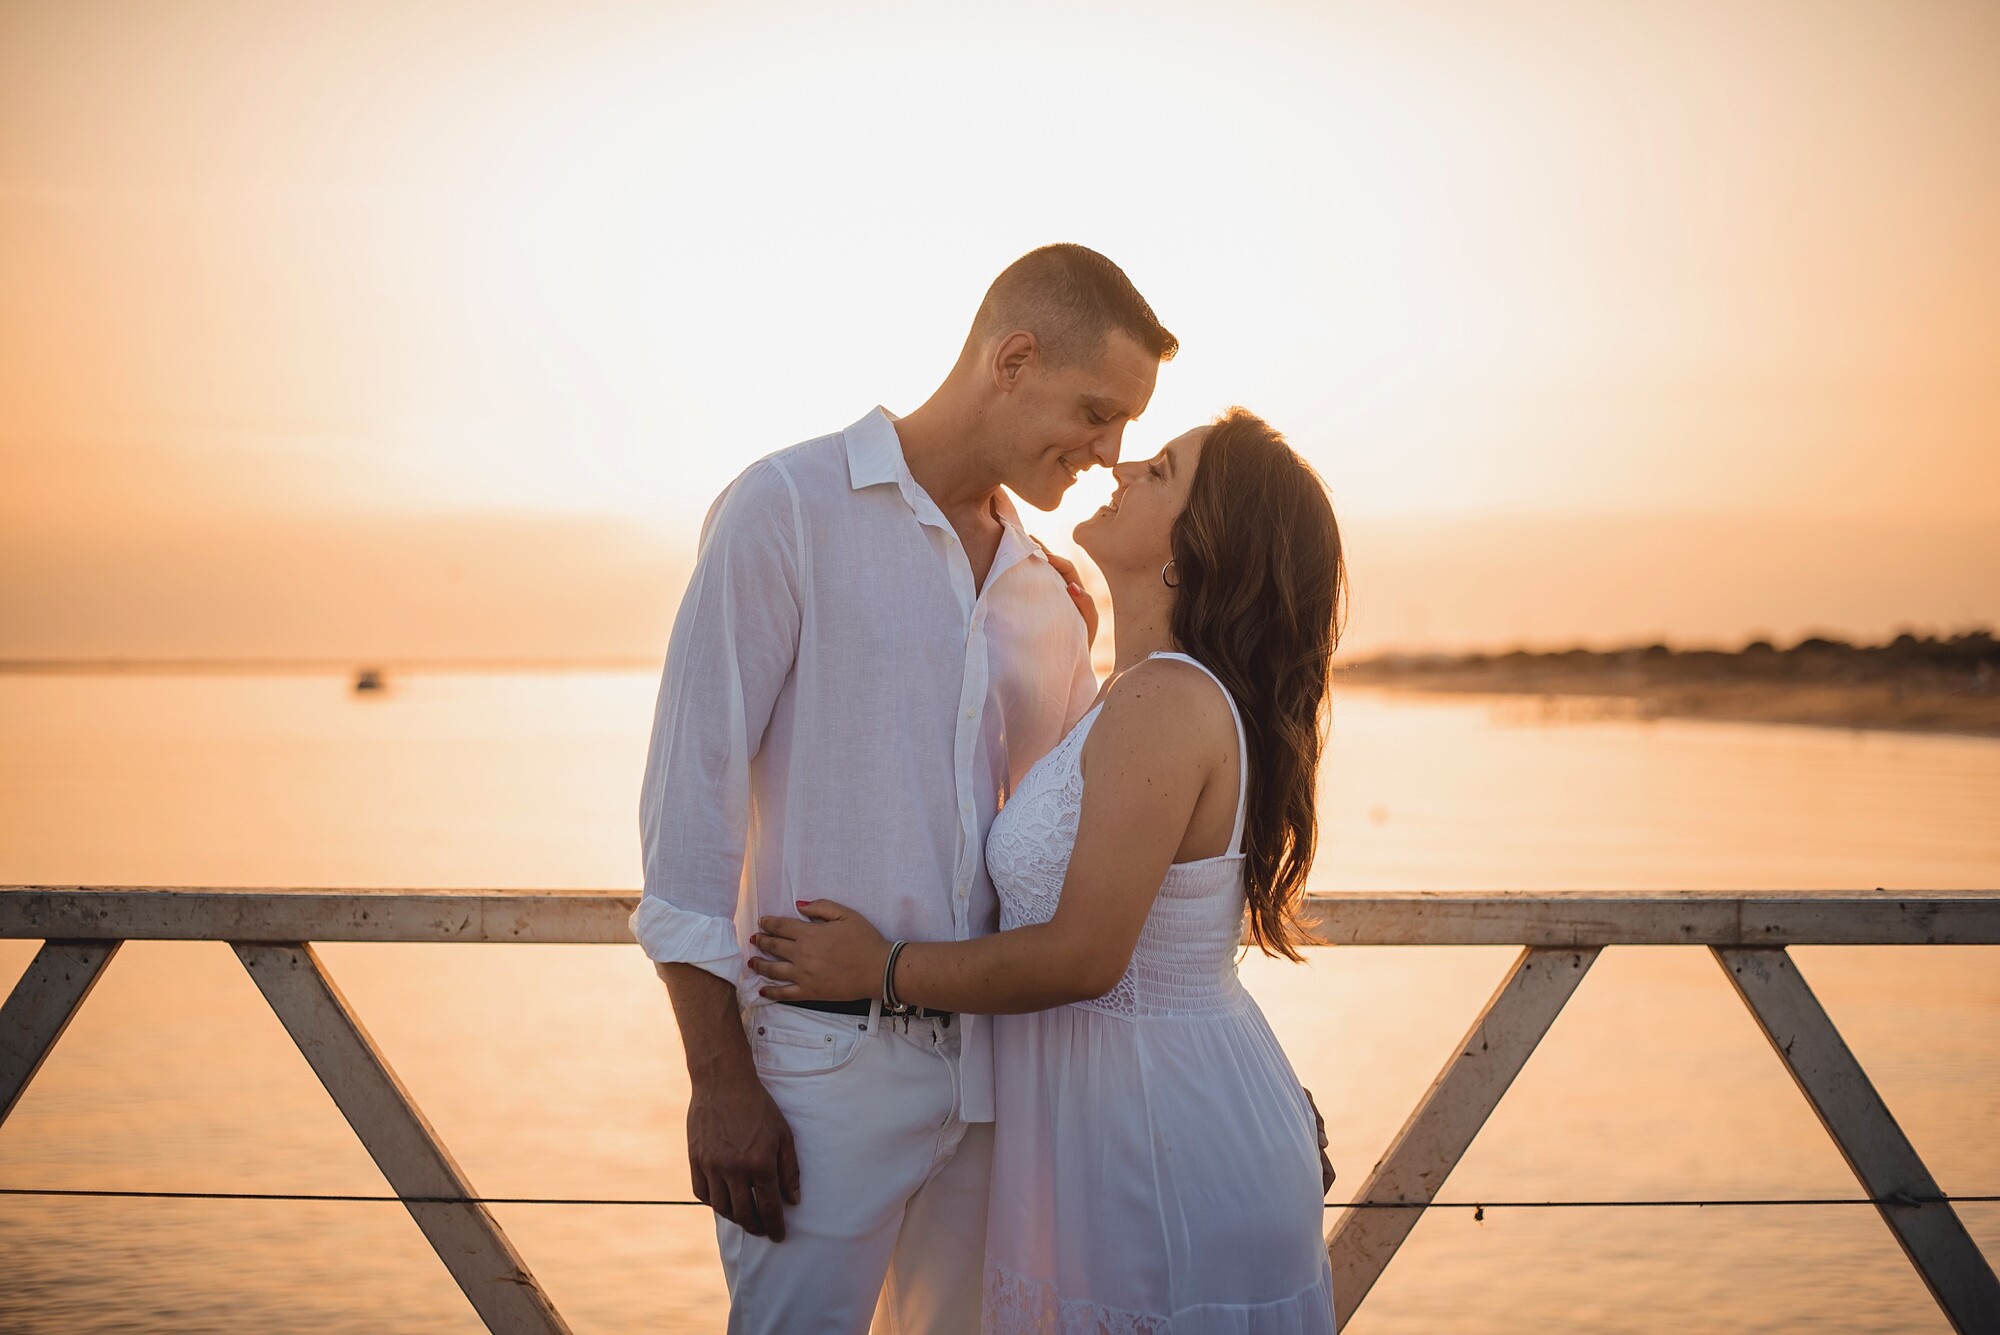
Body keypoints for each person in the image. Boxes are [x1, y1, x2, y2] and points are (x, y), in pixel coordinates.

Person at [633, 244, 1178, 1333]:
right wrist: (717, 1080)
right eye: (1095, 410)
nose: (1111, 451)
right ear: (1011, 358)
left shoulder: (1046, 591)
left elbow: (1073, 854)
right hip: (817, 1077)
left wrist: (1211, 1071)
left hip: (1002, 1088)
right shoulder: (785, 506)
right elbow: (686, 810)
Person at [750, 406, 1347, 1333]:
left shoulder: (1163, 701)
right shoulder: (1138, 692)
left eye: (1164, 469)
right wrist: (1057, 638)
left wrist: (885, 970)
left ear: (1196, 546)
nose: (1126, 463)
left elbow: (1083, 955)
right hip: (1123, 1117)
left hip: (1155, 1142)